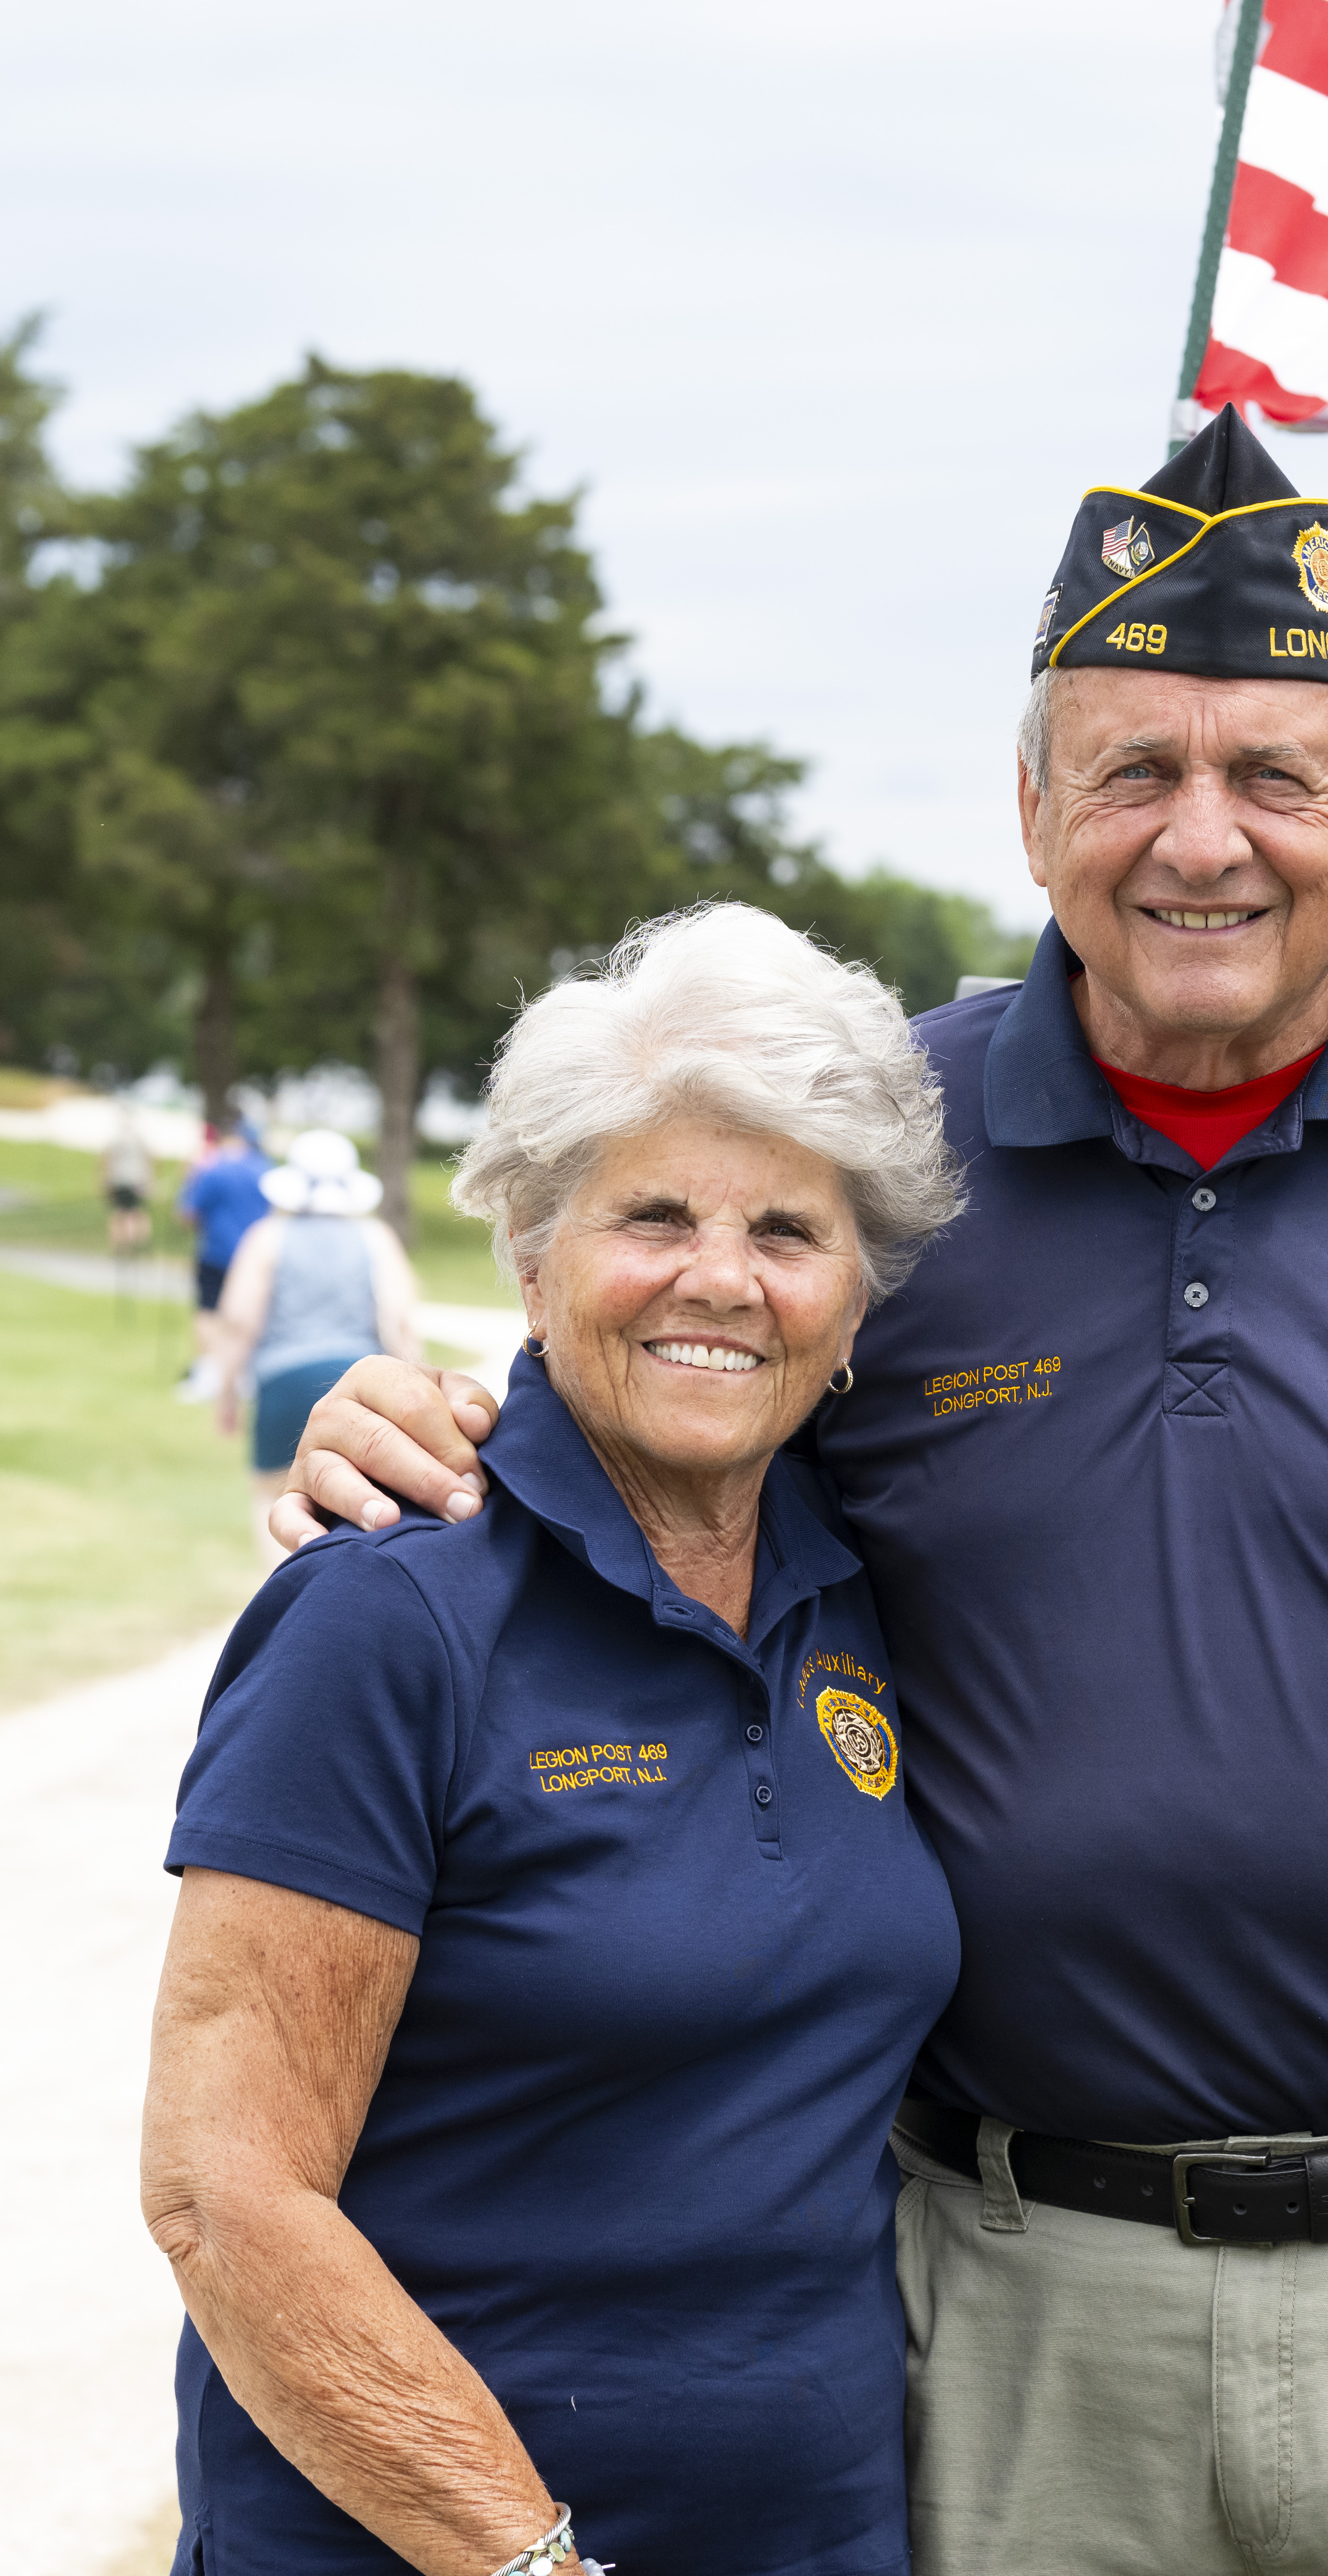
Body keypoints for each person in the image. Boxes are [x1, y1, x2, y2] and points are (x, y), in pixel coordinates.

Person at [271, 409, 1328, 2574]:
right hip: (1011, 2303)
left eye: (1273, 773)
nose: (1204, 840)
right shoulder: (877, 1158)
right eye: (1134, 771)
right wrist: (393, 1423)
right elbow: (635, 1409)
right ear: (1030, 808)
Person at [142, 905, 964, 2576]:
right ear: (527, 1250)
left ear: (856, 1293)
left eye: (789, 1229)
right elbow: (226, 2199)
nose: (720, 1277)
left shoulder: (860, 1582)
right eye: (651, 1213)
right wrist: (524, 2562)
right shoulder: (390, 1613)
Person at [213, 1128, 421, 1558]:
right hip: (359, 1382)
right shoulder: (375, 1237)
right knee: (356, 1501)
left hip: (284, 1381)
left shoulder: (267, 1237)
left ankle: (283, 1599)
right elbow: (399, 1321)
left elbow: (239, 1321)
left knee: (275, 1499)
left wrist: (227, 1391)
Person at [174, 1121, 272, 1403]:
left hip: (217, 1252)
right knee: (251, 1311)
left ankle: (209, 1374)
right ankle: (245, 1373)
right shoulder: (267, 1169)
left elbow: (187, 1214)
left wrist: (190, 1179)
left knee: (208, 1311)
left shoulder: (213, 1169)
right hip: (256, 1256)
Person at [100, 1100, 156, 1257]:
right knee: (133, 1213)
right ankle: (132, 1246)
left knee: (120, 1213)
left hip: (120, 1180)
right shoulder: (139, 1138)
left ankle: (120, 1246)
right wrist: (149, 1181)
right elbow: (149, 1159)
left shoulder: (117, 1138)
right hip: (136, 1180)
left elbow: (108, 1160)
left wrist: (106, 1180)